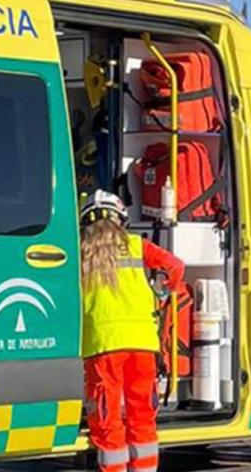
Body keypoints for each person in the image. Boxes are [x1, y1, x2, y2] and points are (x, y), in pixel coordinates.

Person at [80, 190, 185, 472]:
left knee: (107, 421)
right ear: (121, 220)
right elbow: (175, 267)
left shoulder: (81, 251)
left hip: (103, 346)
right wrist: (162, 293)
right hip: (142, 345)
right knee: (142, 419)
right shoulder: (138, 246)